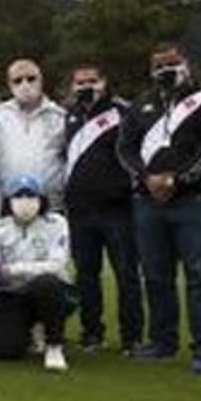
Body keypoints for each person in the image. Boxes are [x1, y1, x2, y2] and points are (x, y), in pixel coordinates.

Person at [117, 43, 201, 374]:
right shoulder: (142, 104)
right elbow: (125, 148)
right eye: (159, 65)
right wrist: (145, 178)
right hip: (148, 202)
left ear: (187, 63)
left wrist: (178, 180)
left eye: (173, 63)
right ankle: (162, 342)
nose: (166, 70)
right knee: (155, 276)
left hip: (196, 200)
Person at [62, 62, 142, 352]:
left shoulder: (122, 112)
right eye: (80, 82)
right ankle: (92, 332)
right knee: (86, 275)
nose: (86, 87)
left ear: (104, 82)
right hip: (80, 211)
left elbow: (139, 152)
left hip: (117, 209)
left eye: (91, 81)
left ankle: (132, 337)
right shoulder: (69, 115)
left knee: (126, 275)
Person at [0, 175, 72, 372]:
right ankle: (29, 329)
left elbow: (56, 264)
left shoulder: (56, 223)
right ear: (8, 201)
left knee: (47, 283)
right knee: (3, 350)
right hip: (12, 293)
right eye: (18, 196)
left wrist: (15, 269)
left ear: (41, 199)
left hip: (47, 290)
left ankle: (54, 345)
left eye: (31, 195)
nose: (25, 201)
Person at [0, 59, 68, 211]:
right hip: (9, 204)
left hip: (50, 205)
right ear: (10, 85)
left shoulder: (59, 116)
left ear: (41, 81)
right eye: (17, 81)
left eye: (31, 79)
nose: (25, 85)